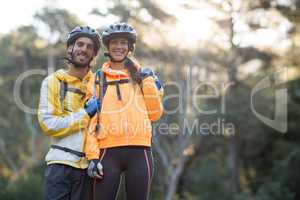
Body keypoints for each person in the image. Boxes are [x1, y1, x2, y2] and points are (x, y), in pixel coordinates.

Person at [84, 22, 164, 200]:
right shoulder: (98, 79)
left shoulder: (144, 75)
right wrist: (92, 157)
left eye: (123, 43)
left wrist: (149, 83)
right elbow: (91, 121)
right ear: (108, 46)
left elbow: (155, 114)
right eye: (114, 42)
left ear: (130, 47)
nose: (118, 47)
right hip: (107, 151)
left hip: (140, 150)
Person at [37, 26, 101, 200]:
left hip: (90, 170)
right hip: (60, 167)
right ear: (69, 48)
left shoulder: (99, 84)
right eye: (80, 44)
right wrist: (85, 114)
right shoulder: (53, 82)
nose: (84, 49)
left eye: (90, 47)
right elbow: (49, 124)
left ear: (94, 55)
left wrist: (153, 84)